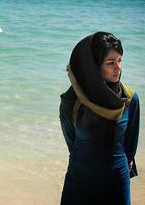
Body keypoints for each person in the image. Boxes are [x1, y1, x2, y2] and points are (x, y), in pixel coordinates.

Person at [59, 32, 140, 205]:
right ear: (93, 67)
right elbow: (71, 141)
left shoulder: (130, 99)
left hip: (116, 180)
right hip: (80, 179)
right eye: (110, 63)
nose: (118, 68)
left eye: (120, 60)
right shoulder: (71, 101)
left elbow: (130, 146)